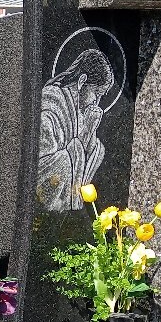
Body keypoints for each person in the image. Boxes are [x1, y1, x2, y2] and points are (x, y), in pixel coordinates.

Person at [36, 49, 114, 212]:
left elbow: (90, 152)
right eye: (96, 93)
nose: (97, 102)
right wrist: (85, 133)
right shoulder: (52, 102)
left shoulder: (79, 111)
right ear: (82, 81)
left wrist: (90, 133)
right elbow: (42, 167)